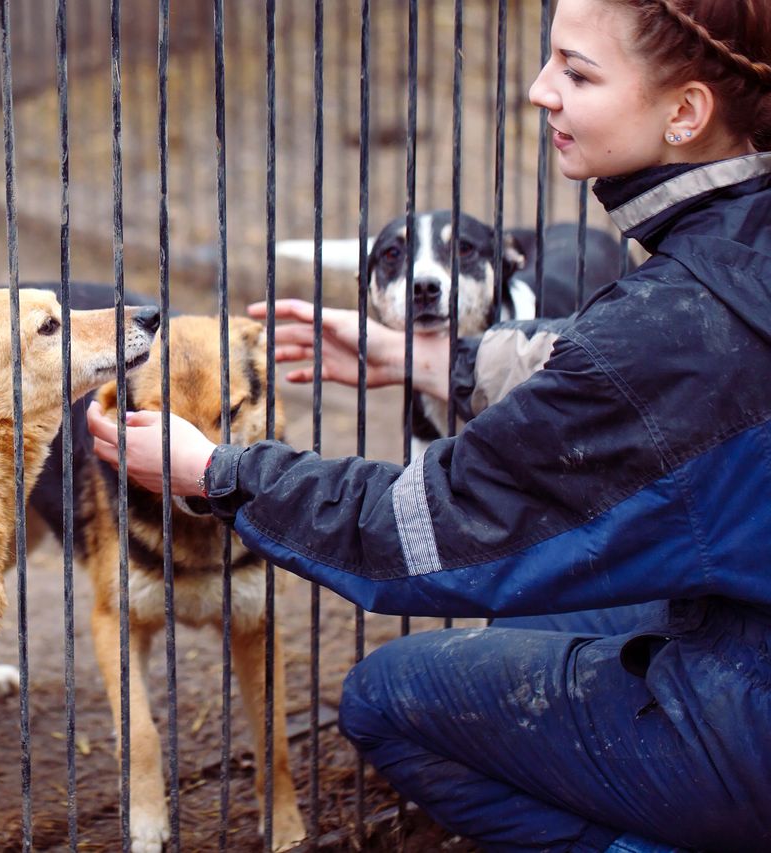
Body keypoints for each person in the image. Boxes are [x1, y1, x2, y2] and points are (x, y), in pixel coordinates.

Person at [86, 0, 771, 850]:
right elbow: (647, 373)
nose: (537, 90)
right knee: (527, 620)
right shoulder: (734, 244)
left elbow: (435, 521)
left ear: (685, 112)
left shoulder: (674, 317)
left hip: (752, 709)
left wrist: (221, 472)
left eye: (577, 71)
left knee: (385, 700)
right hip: (744, 608)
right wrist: (434, 362)